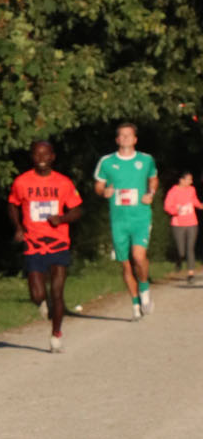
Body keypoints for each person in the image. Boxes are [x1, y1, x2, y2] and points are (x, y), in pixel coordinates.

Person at [7, 140, 84, 352]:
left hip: (59, 243)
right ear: (32, 157)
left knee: (57, 293)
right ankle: (43, 303)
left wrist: (62, 219)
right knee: (37, 295)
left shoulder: (63, 183)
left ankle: (56, 334)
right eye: (37, 154)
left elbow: (77, 210)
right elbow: (12, 205)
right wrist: (18, 227)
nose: (41, 158)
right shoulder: (22, 182)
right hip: (33, 243)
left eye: (45, 154)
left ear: (52, 157)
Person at [94, 122, 158, 318]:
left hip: (140, 216)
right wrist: (103, 192)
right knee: (126, 264)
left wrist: (151, 193)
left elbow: (153, 178)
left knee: (138, 256)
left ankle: (144, 290)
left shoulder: (146, 160)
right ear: (117, 139)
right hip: (119, 220)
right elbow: (98, 185)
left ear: (135, 139)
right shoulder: (107, 162)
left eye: (128, 135)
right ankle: (135, 304)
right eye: (121, 135)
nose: (125, 138)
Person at [163, 171, 202, 281]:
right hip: (178, 224)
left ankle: (191, 274)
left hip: (192, 223)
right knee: (181, 251)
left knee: (190, 248)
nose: (191, 181)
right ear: (181, 180)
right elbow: (167, 206)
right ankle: (179, 261)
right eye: (189, 179)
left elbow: (194, 201)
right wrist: (176, 211)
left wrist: (200, 205)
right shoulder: (173, 191)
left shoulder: (191, 190)